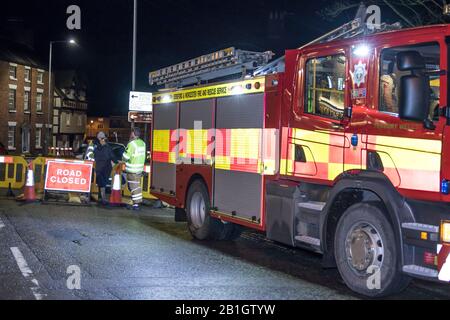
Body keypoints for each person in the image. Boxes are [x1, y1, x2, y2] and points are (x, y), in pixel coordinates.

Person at [122, 127, 146, 211]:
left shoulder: (132, 144)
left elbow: (125, 157)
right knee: (136, 186)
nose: (130, 134)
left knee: (133, 187)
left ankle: (136, 205)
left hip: (132, 170)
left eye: (131, 132)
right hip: (139, 169)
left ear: (133, 134)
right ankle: (136, 203)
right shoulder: (143, 143)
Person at [94, 132, 115, 206]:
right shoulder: (107, 147)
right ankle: (103, 198)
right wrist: (116, 162)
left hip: (99, 167)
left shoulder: (96, 147)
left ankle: (101, 197)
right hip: (106, 167)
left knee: (101, 182)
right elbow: (112, 156)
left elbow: (94, 156)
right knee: (103, 182)